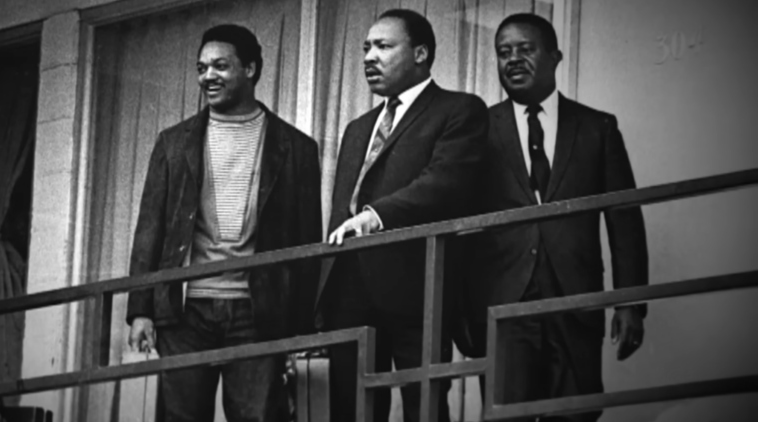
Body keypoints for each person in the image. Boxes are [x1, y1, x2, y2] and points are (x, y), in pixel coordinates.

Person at [125, 24, 322, 422]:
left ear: (250, 69)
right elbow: (150, 230)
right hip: (184, 312)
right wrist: (140, 310)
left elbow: (307, 242)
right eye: (201, 68)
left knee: (257, 417)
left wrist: (299, 328)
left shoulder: (297, 148)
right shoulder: (172, 143)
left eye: (220, 66)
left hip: (259, 313)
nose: (207, 77)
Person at [459, 13, 649, 421]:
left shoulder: (597, 128)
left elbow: (624, 219)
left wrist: (630, 302)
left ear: (555, 56)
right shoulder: (477, 130)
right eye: (503, 52)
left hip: (576, 300)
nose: (512, 59)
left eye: (525, 49)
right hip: (503, 306)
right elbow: (460, 224)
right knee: (506, 415)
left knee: (577, 414)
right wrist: (461, 313)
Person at [317, 9, 489, 422]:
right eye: (364, 48)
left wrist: (376, 216)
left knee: (424, 406)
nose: (368, 57)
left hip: (419, 288)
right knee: (351, 410)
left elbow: (444, 184)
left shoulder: (459, 110)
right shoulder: (358, 128)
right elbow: (343, 208)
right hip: (349, 292)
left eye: (383, 46)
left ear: (421, 53)